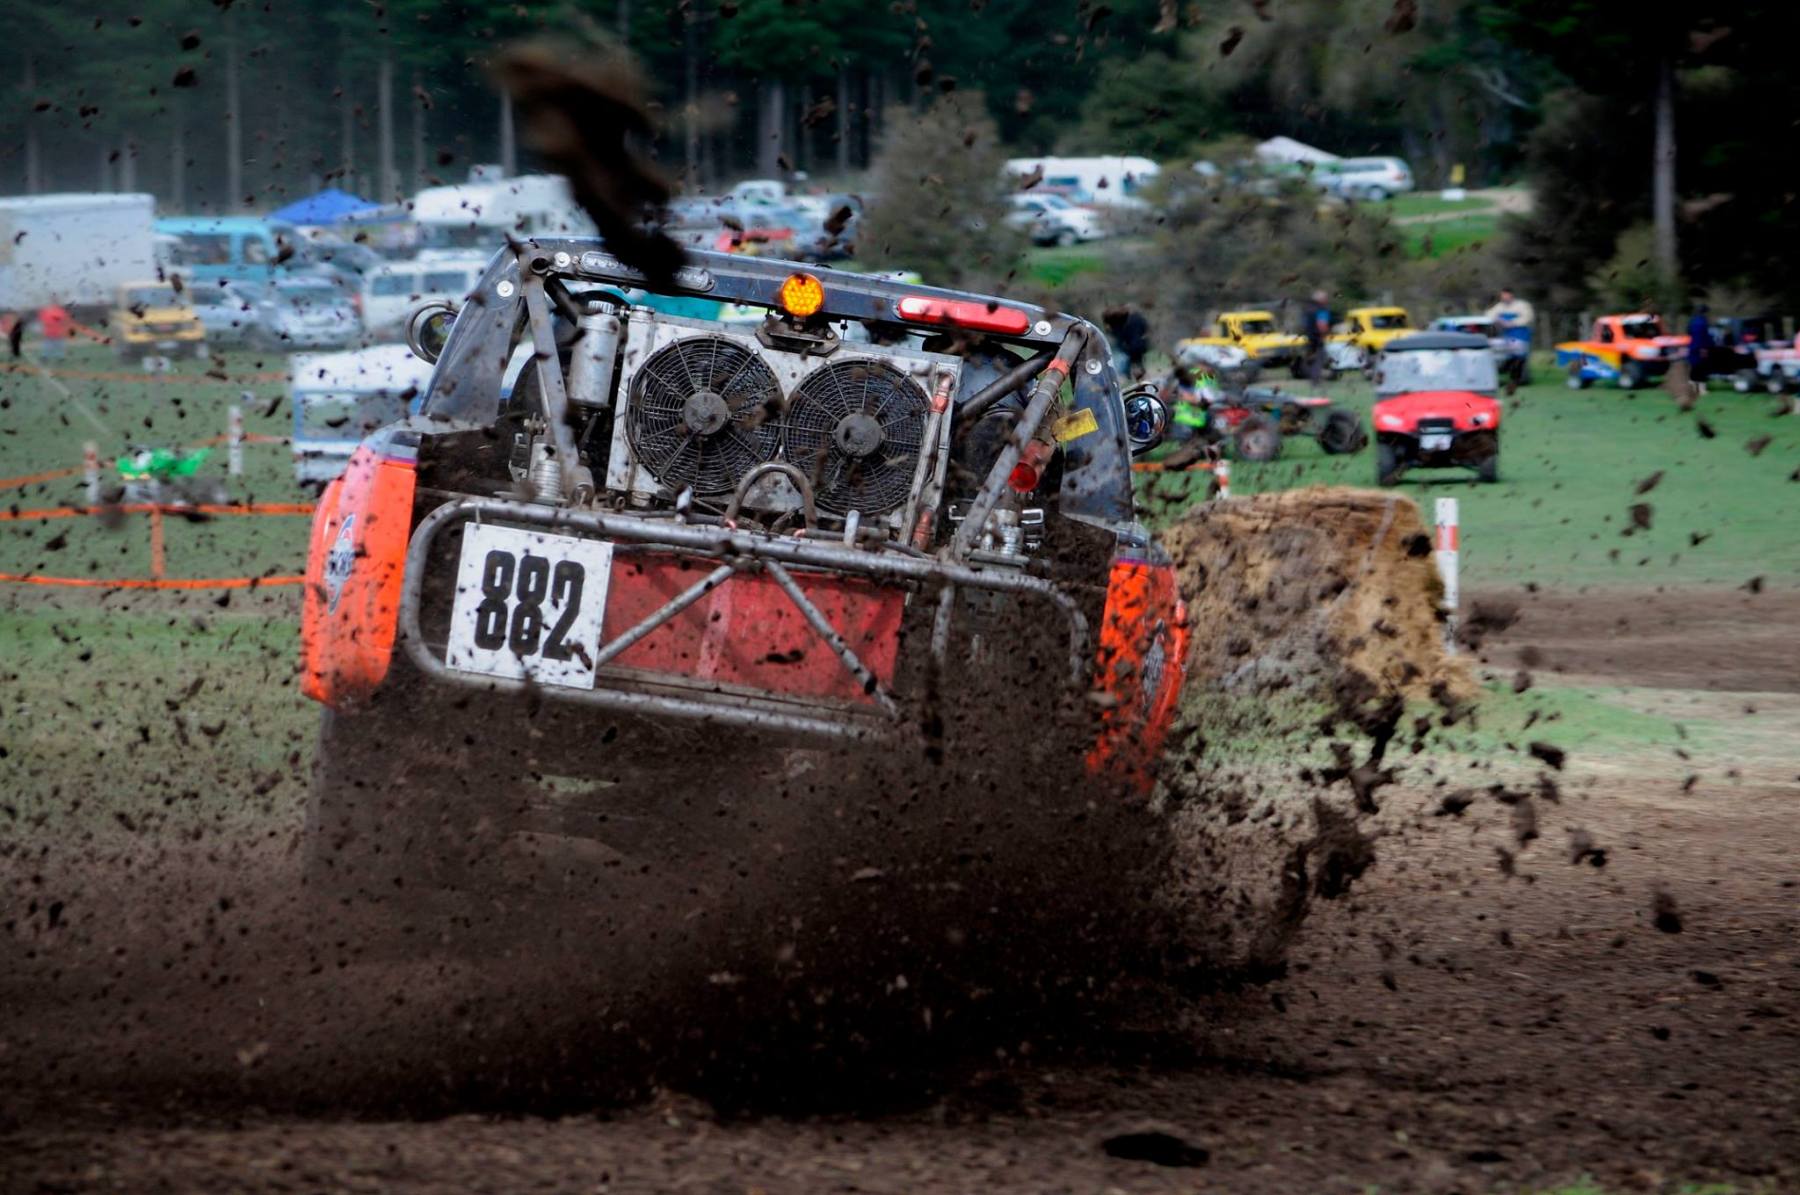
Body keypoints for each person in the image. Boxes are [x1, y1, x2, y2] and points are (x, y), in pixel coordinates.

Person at [1103, 306, 1151, 379]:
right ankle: (1136, 375)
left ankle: (1129, 375)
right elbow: (1145, 328)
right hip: (1137, 346)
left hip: (1131, 348)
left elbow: (1120, 339)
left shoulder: (1121, 325)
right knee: (1136, 362)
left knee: (1130, 362)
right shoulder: (1136, 318)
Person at [1305, 290, 1332, 384]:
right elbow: (1322, 325)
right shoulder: (1322, 310)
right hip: (1318, 338)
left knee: (1312, 359)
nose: (1327, 300)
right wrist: (1325, 334)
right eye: (1325, 298)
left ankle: (1314, 378)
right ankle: (1316, 380)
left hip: (1309, 338)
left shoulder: (1309, 309)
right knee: (1319, 359)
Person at [1686, 303, 1715, 382]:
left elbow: (1689, 332)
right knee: (1698, 367)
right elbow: (1700, 336)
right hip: (1698, 347)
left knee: (1695, 366)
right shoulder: (1700, 322)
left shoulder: (1693, 320)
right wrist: (1703, 348)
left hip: (1694, 346)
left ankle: (1694, 381)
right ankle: (1697, 382)